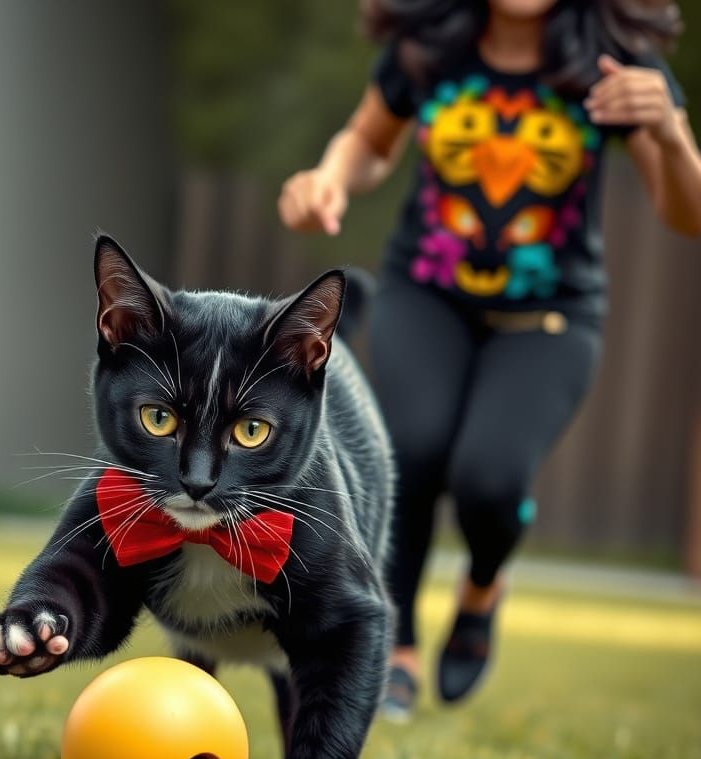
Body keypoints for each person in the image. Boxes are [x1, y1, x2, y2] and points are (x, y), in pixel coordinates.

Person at [278, 0, 701, 719]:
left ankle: (482, 584)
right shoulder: (430, 46)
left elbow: (683, 211)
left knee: (491, 479)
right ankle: (399, 649)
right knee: (409, 454)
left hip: (552, 315)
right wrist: (328, 176)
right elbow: (370, 142)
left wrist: (668, 129)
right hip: (426, 294)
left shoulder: (613, 60)